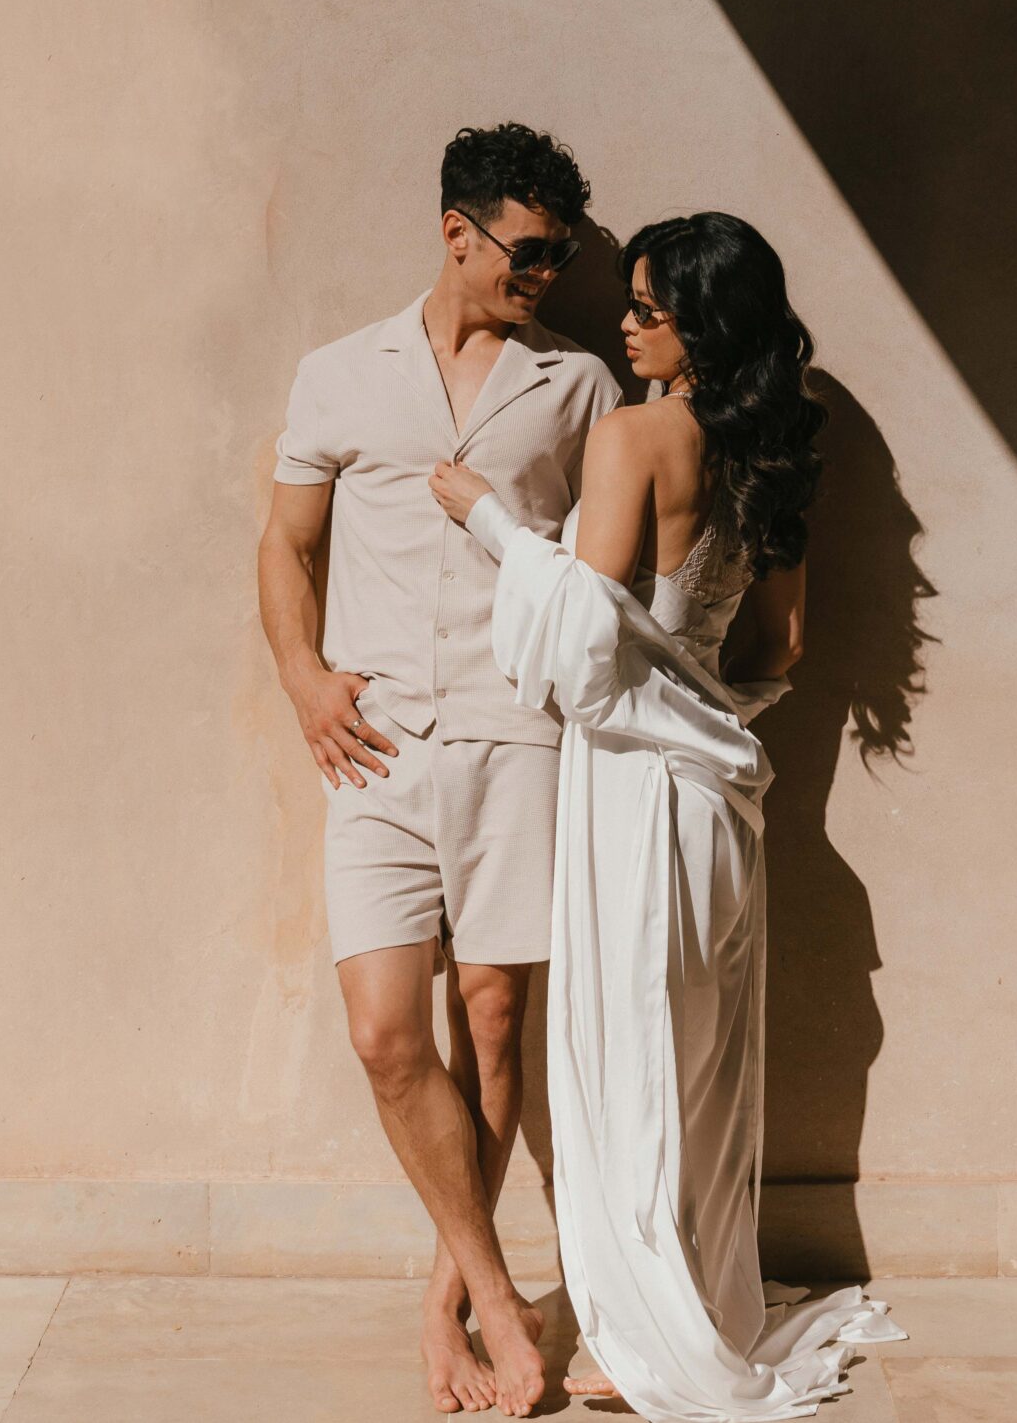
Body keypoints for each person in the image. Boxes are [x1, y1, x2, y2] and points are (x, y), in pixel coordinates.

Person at [429, 212, 902, 1421]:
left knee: (628, 1053)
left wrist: (485, 515)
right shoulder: (778, 448)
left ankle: (646, 1338)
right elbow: (781, 642)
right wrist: (705, 700)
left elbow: (584, 644)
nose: (624, 324)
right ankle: (692, 1296)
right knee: (696, 1061)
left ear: (698, 323)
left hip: (636, 792)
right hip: (720, 800)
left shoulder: (632, 434)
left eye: (644, 306)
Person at [258, 123, 620, 1416]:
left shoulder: (574, 384)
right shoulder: (339, 373)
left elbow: (597, 565)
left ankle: (449, 1307)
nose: (549, 272)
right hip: (376, 746)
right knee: (382, 1033)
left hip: (517, 733)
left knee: (497, 1022)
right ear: (458, 232)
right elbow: (284, 547)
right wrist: (305, 681)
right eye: (530, 248)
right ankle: (489, 1279)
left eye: (563, 254)